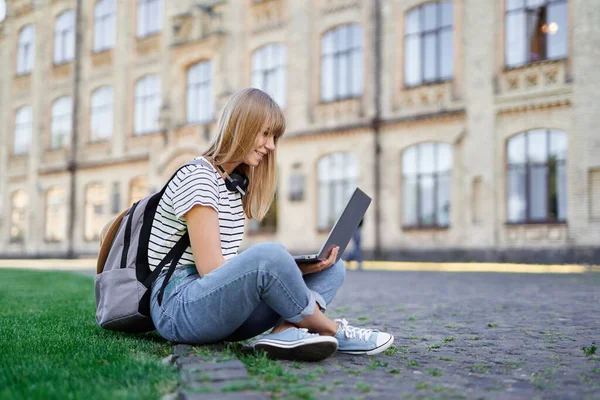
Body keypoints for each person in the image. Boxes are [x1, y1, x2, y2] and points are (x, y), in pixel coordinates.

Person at [148, 88, 394, 362]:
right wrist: (277, 266)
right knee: (271, 254)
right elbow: (212, 271)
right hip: (178, 309)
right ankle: (333, 330)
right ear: (241, 127)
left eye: (274, 137)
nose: (272, 145)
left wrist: (296, 268)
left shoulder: (234, 187)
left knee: (331, 267)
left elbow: (228, 272)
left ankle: (284, 333)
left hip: (215, 308)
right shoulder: (199, 177)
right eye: (265, 134)